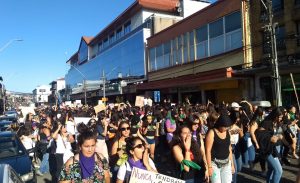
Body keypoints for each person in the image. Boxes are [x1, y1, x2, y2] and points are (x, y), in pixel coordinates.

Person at [255, 108, 283, 183]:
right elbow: (258, 135)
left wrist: (278, 136)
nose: (281, 119)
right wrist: (270, 138)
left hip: (272, 148)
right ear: (275, 116)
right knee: (279, 171)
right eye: (279, 117)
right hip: (266, 150)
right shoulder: (266, 122)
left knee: (271, 169)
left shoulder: (275, 122)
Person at [205, 113, 235, 183]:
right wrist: (209, 167)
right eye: (225, 127)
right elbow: (208, 150)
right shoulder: (212, 132)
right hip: (214, 164)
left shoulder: (228, 132)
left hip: (226, 163)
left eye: (227, 127)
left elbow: (229, 148)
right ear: (220, 124)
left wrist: (232, 164)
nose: (226, 128)